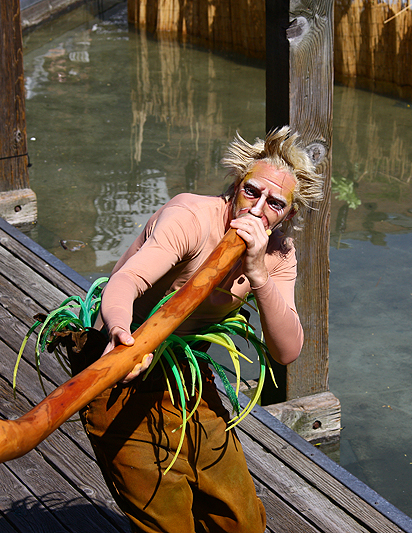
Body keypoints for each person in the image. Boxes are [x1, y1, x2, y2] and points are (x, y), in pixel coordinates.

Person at [79, 126, 324, 533]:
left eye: (274, 202)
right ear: (236, 185)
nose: (257, 208)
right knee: (166, 520)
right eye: (251, 192)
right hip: (116, 363)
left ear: (289, 214)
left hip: (182, 368)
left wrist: (258, 274)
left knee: (240, 520)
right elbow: (126, 281)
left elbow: (287, 351)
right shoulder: (190, 218)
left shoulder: (278, 253)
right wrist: (122, 334)